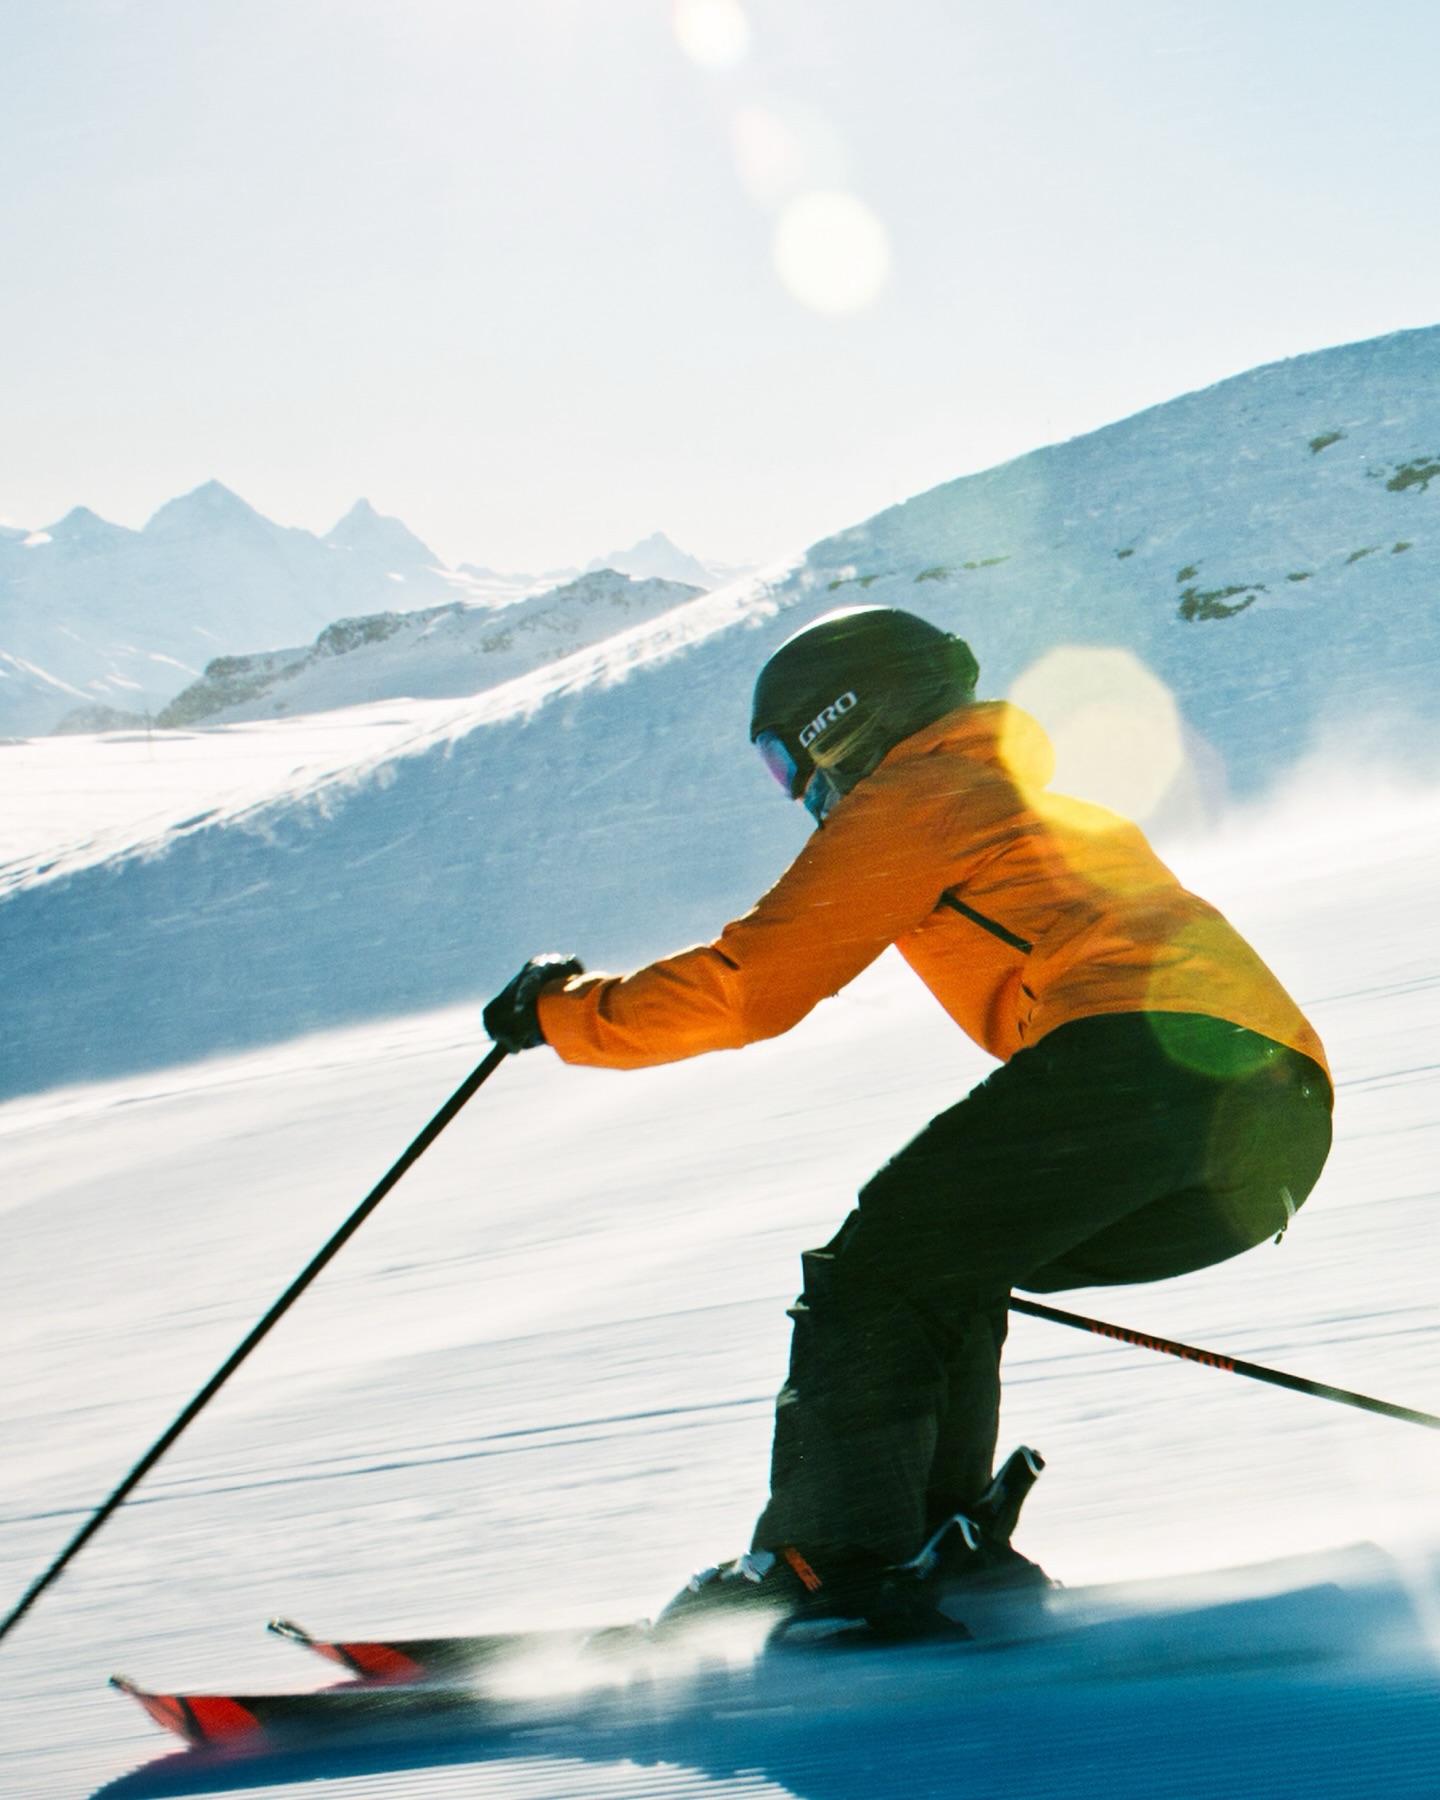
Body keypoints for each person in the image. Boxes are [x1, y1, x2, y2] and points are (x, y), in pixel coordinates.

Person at [482, 607, 1332, 1639]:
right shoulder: (1030, 799)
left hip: (1152, 1064)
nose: (793, 789)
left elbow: (753, 986)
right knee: (938, 1260)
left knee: (880, 1268)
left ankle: (832, 1561)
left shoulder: (918, 792)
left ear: (845, 720)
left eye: (782, 758)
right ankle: (943, 1546)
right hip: (1275, 1121)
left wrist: (561, 1014)